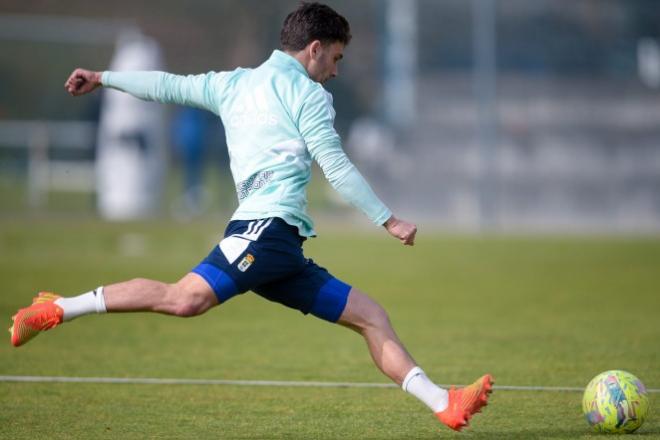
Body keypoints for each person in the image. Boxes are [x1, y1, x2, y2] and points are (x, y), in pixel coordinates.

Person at [9, 2, 492, 431]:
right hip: (263, 234)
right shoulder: (309, 96)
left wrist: (103, 77)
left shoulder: (231, 84)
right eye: (337, 59)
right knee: (184, 299)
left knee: (370, 316)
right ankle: (56, 308)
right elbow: (338, 169)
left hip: (282, 249)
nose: (336, 72)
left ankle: (444, 403)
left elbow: (166, 85)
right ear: (315, 49)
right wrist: (389, 220)